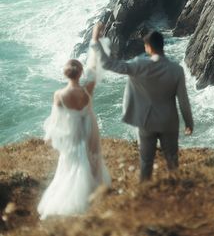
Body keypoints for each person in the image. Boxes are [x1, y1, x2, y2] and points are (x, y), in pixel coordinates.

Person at [91, 22, 194, 181]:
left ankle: (145, 193)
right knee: (172, 160)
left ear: (148, 47)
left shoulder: (138, 65)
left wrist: (95, 39)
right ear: (162, 46)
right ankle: (176, 192)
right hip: (168, 122)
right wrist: (189, 122)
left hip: (146, 121)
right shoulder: (177, 70)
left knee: (146, 162)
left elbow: (107, 64)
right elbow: (183, 100)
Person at [37, 57, 111, 219]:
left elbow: (55, 119)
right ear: (80, 73)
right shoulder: (86, 90)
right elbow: (93, 70)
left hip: (72, 133)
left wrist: (49, 136)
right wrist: (95, 40)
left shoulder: (59, 94)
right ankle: (91, 194)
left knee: (70, 163)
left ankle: (70, 200)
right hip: (87, 131)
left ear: (66, 75)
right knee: (88, 160)